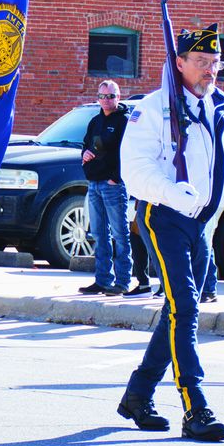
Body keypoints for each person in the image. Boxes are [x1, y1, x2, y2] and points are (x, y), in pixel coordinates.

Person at [116, 23, 224, 442]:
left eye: (214, 63)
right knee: (185, 307)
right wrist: (171, 192)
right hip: (163, 215)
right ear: (179, 62)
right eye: (201, 62)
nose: (209, 71)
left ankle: (137, 395)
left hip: (202, 221)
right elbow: (134, 170)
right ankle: (196, 407)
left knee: (177, 309)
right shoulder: (152, 109)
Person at [79, 80, 134, 296]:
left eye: (110, 96)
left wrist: (116, 178)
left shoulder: (125, 122)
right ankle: (102, 280)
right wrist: (84, 154)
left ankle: (122, 281)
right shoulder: (95, 121)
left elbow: (128, 153)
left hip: (113, 186)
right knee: (99, 234)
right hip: (94, 184)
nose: (106, 100)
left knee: (120, 234)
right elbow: (85, 145)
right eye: (102, 96)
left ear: (118, 97)